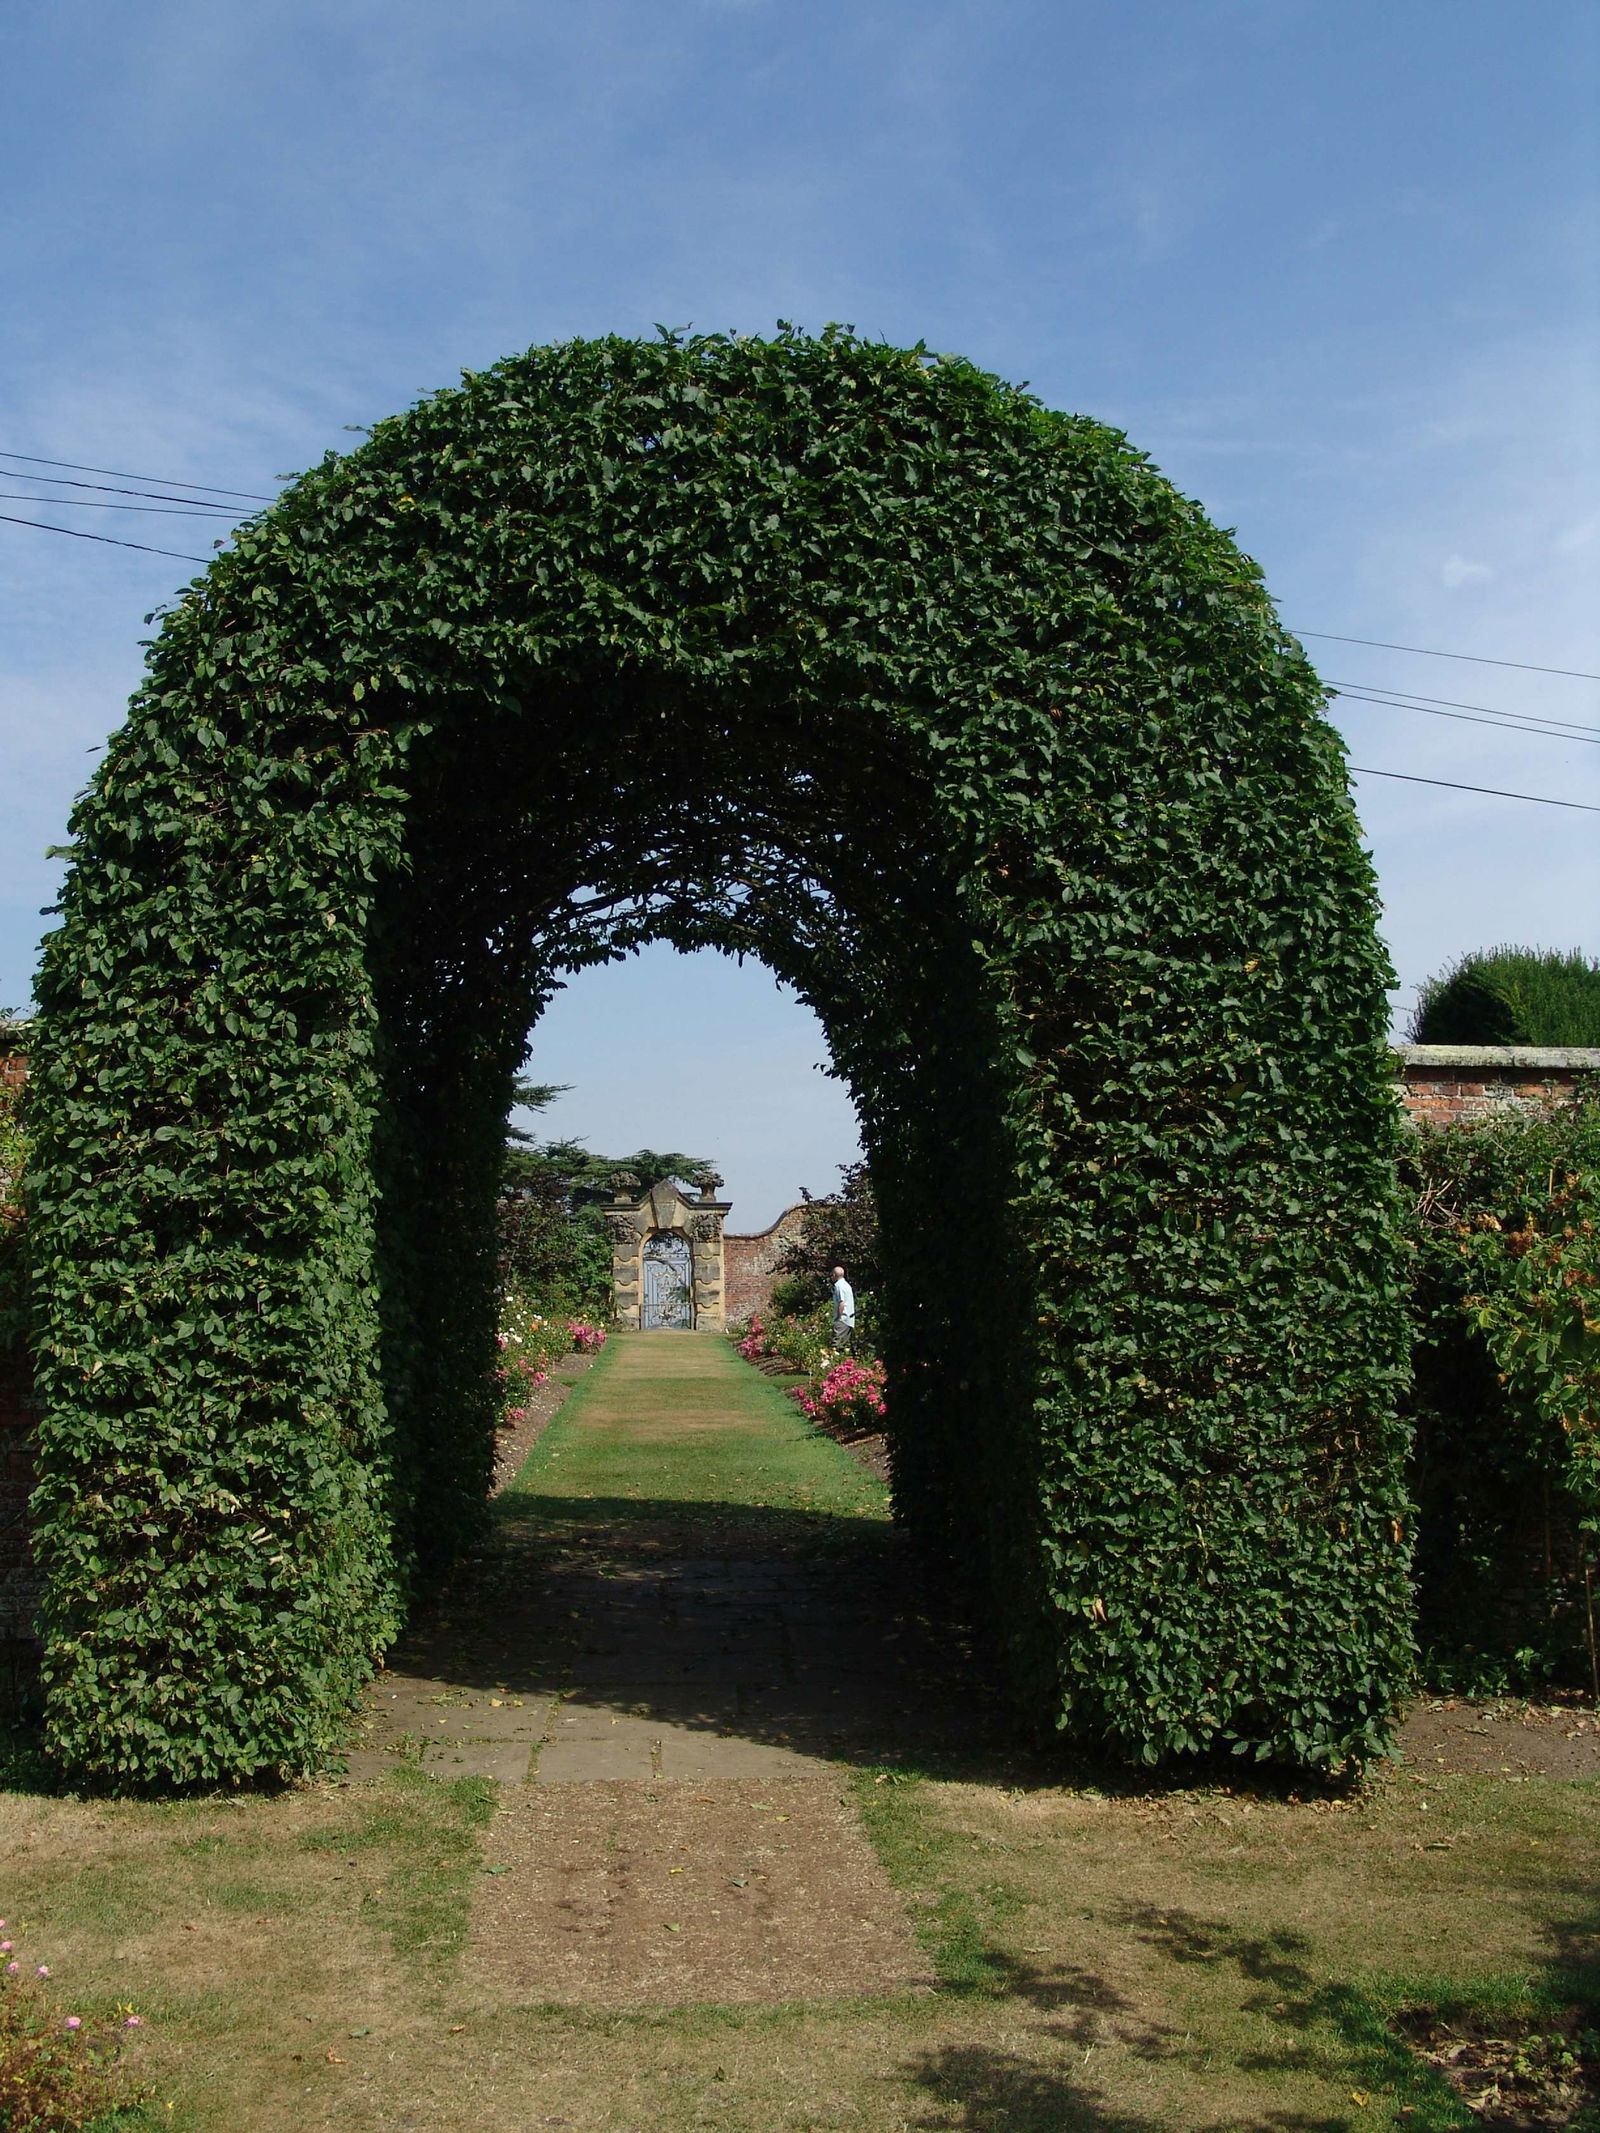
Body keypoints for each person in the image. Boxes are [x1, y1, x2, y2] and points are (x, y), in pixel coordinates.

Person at [830, 1265, 856, 1350]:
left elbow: (842, 1303)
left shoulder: (839, 1286)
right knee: (843, 1346)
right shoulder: (846, 1285)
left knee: (836, 1345)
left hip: (843, 1319)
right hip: (849, 1319)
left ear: (834, 1275)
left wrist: (838, 1317)